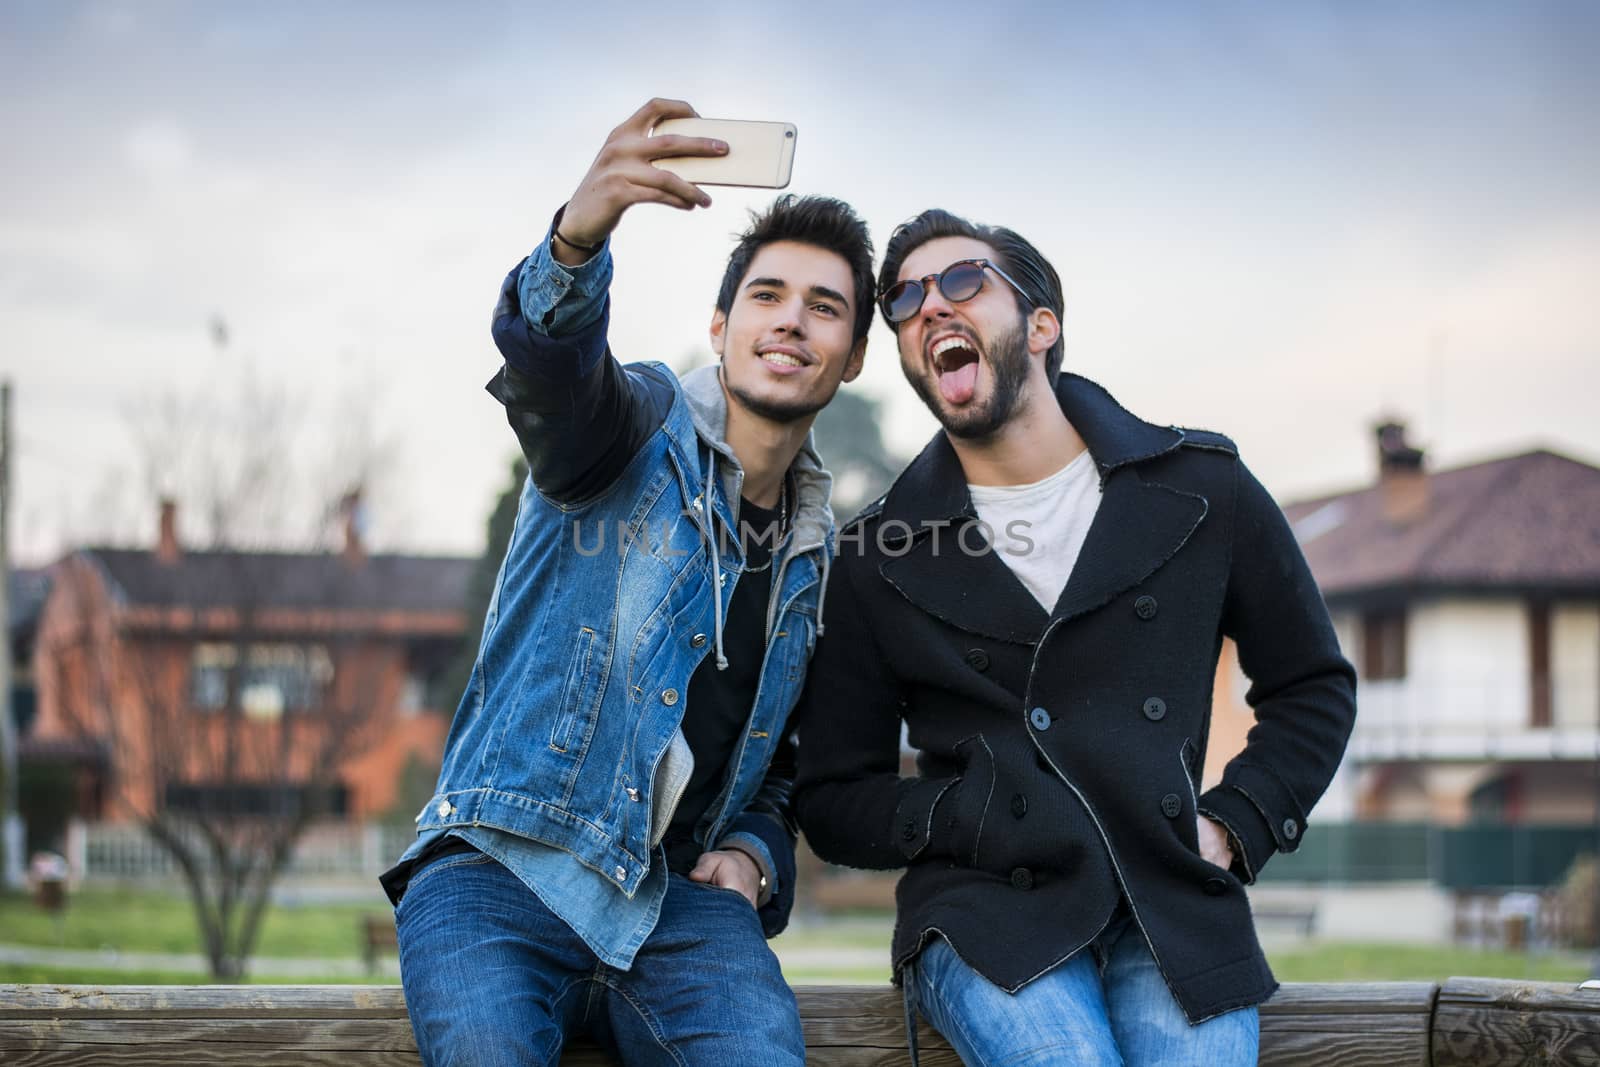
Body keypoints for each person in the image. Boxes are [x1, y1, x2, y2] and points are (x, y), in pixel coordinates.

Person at [793, 209, 1356, 1066]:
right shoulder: (877, 556)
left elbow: (1313, 684)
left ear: (1042, 324)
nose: (929, 306)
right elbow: (834, 797)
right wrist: (962, 812)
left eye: (963, 280)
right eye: (905, 298)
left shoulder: (1203, 489)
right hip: (986, 915)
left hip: (1169, 903)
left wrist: (1235, 823)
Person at [382, 99, 874, 1067]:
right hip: (502, 869)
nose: (791, 321)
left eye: (825, 307)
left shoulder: (823, 558)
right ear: (722, 326)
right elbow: (556, 374)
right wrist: (575, 240)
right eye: (769, 296)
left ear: (852, 356)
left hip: (681, 910)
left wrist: (755, 856)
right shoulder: (633, 424)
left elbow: (777, 761)